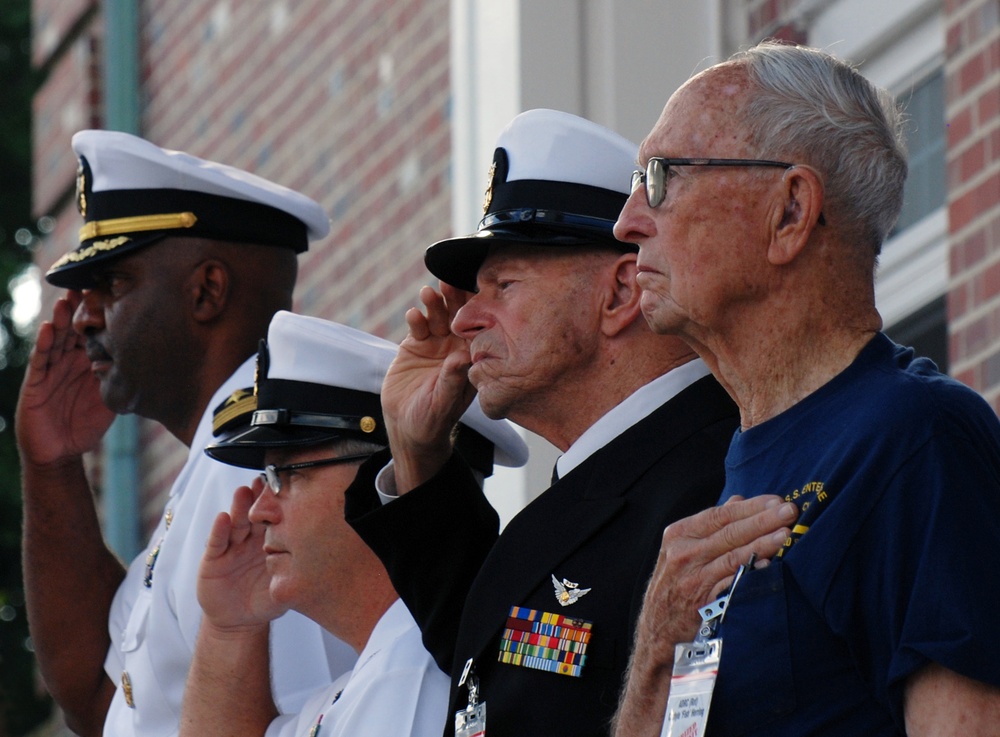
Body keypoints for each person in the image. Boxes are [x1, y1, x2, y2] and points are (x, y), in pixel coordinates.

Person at [343, 108, 796, 737]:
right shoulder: (585, 491)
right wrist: (416, 451)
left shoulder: (720, 480)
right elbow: (491, 669)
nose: (465, 320)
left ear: (619, 295)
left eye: (502, 285)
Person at [612, 41, 1000, 736]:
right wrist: (651, 662)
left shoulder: (915, 439)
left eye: (662, 176)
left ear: (790, 211)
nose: (628, 221)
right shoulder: (745, 461)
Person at [16, 131, 356, 737]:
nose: (85, 315)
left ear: (207, 291)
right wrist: (51, 465)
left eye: (113, 285)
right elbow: (96, 698)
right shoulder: (213, 467)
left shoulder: (273, 468)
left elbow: (310, 720)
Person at [178, 311, 528, 737]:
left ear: (387, 479)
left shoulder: (410, 668)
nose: (259, 511)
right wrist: (229, 627)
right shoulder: (362, 682)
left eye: (286, 475)